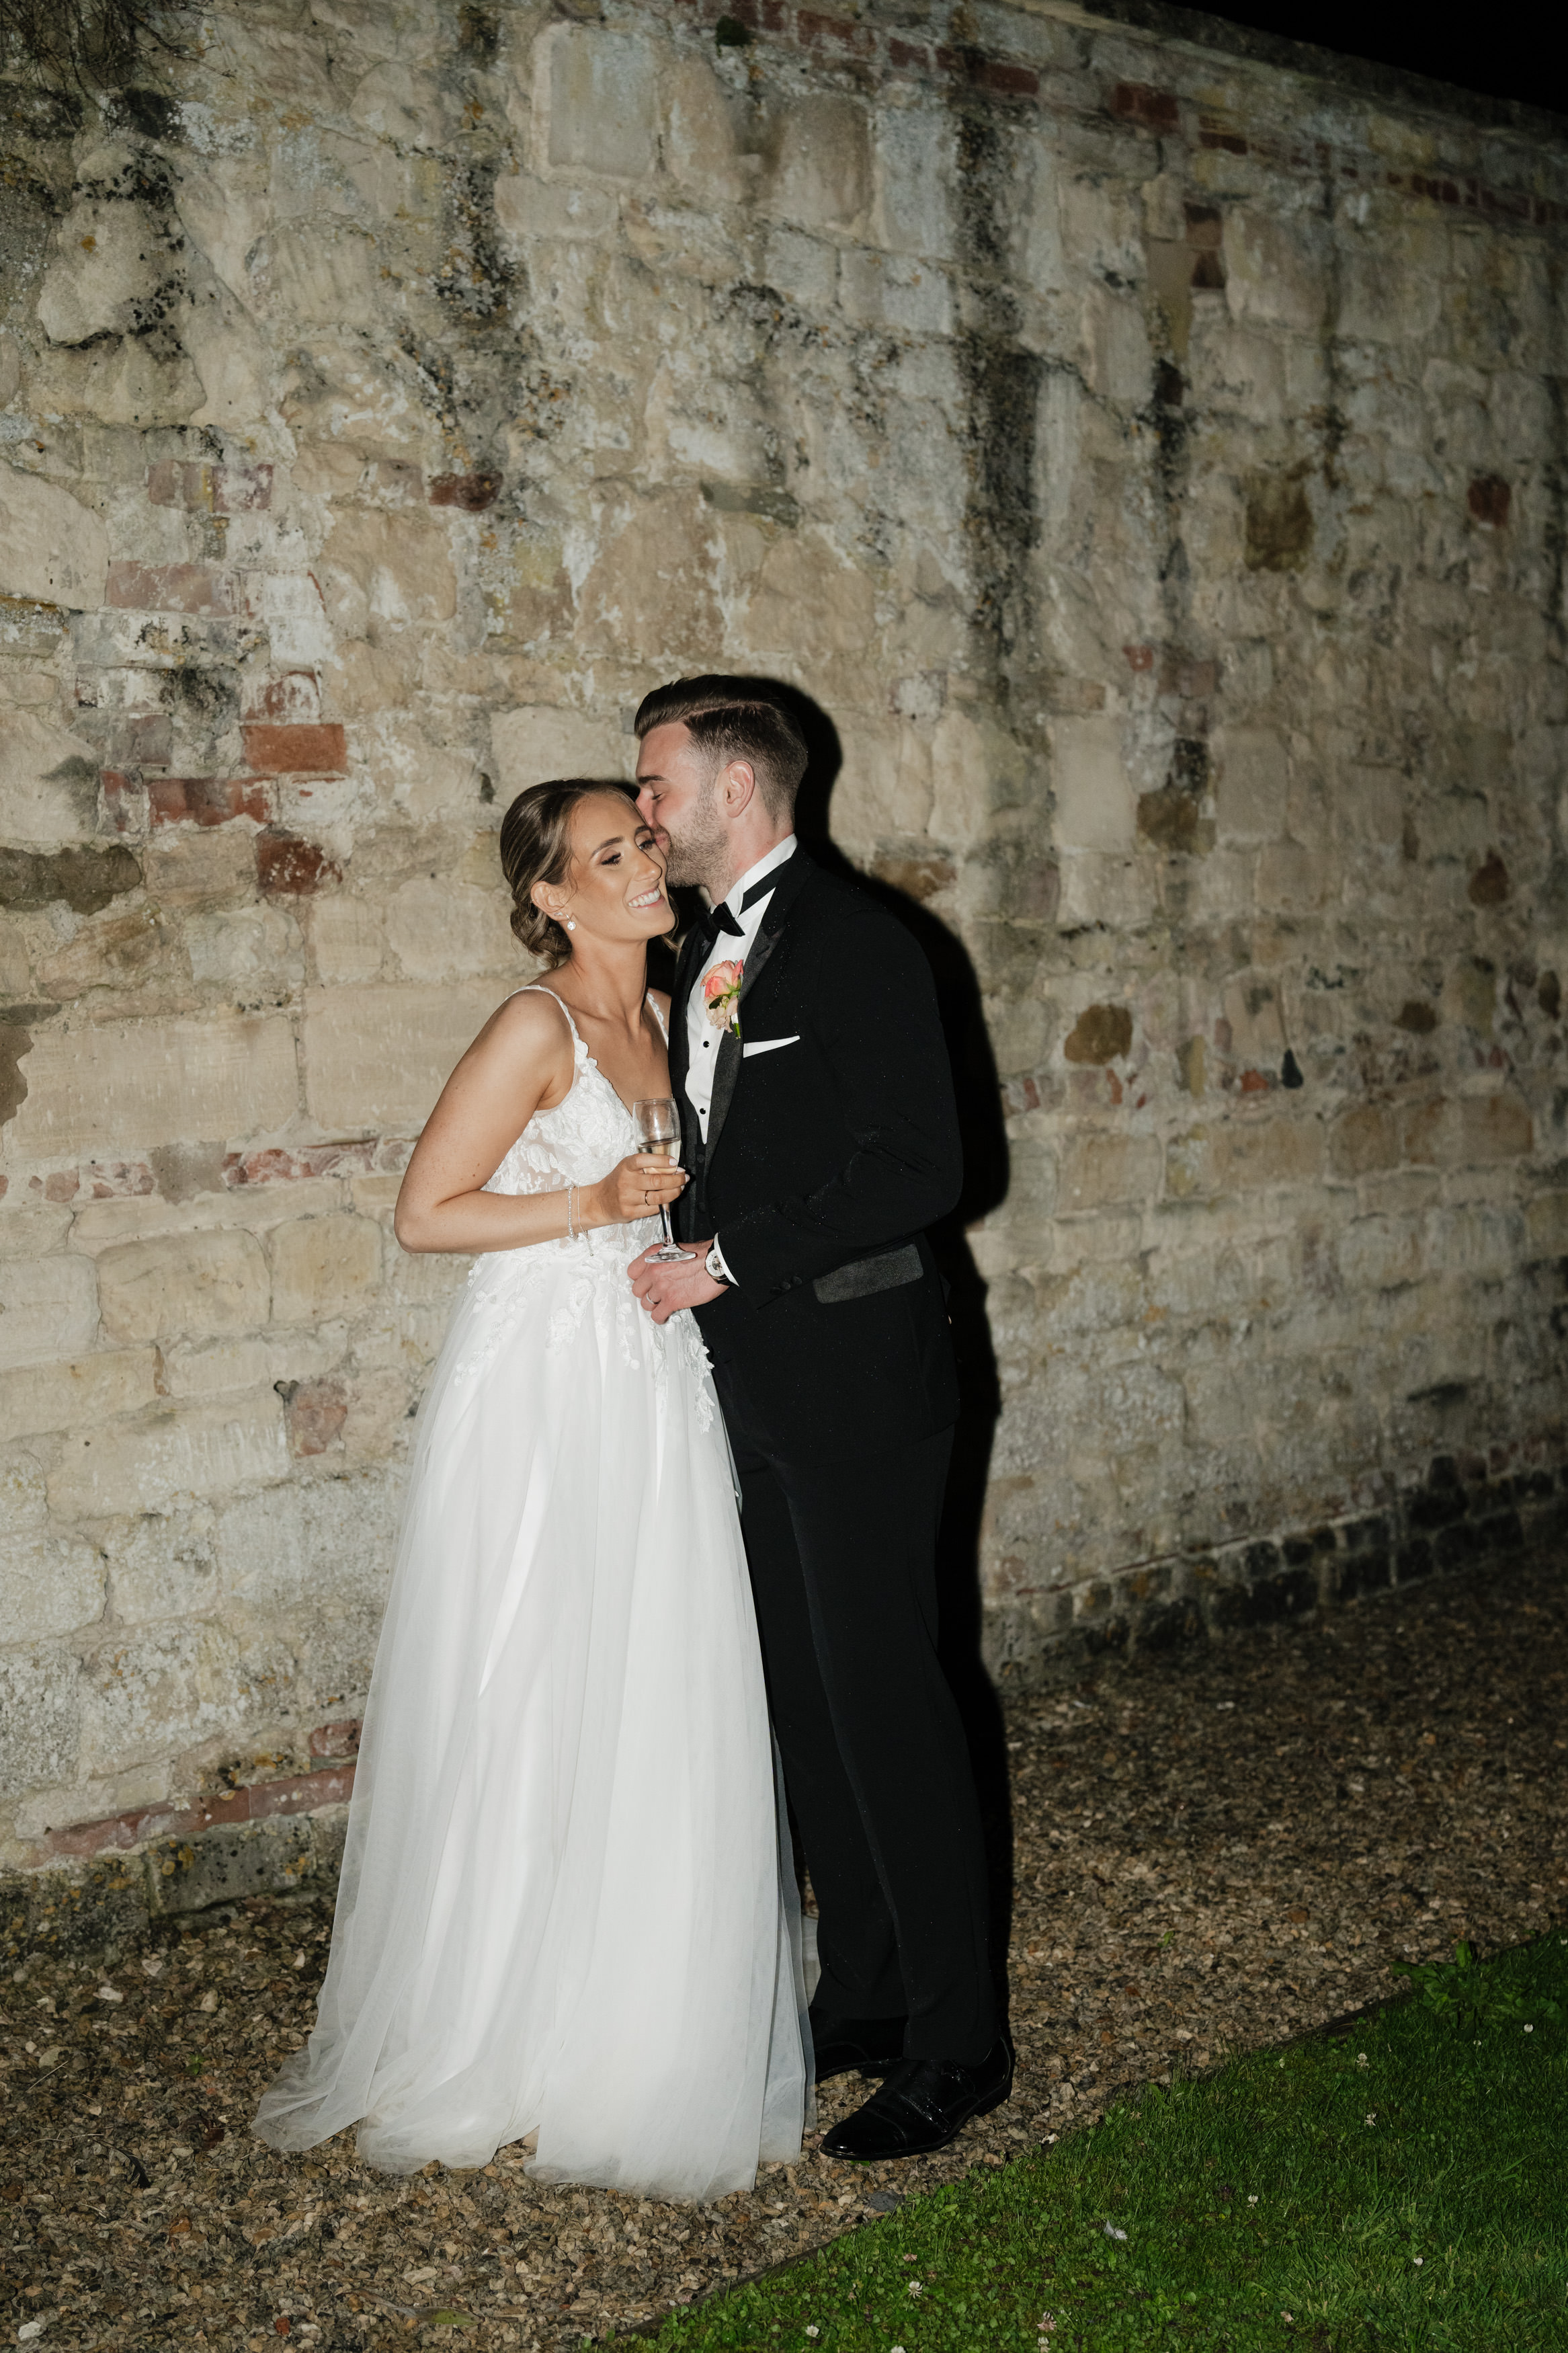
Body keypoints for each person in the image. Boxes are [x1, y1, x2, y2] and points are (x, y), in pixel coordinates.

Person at [254, 779, 810, 2200]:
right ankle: (495, 2018)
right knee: (535, 1673)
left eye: (644, 842)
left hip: (651, 1377)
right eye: (610, 856)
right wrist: (592, 1204)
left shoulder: (686, 1004)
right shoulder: (535, 1024)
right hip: (546, 1388)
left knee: (658, 1673)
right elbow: (426, 1211)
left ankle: (630, 2018)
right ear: (551, 896)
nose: (644, 866)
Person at [628, 677, 1011, 2161]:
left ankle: (959, 2040)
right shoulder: (708, 954)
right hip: (755, 1384)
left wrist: (726, 1258)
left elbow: (929, 1166)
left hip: (864, 1380)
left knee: (888, 1700)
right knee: (803, 1697)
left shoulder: (864, 942)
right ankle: (862, 1989)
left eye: (658, 781)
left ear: (737, 787)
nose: (644, 806)